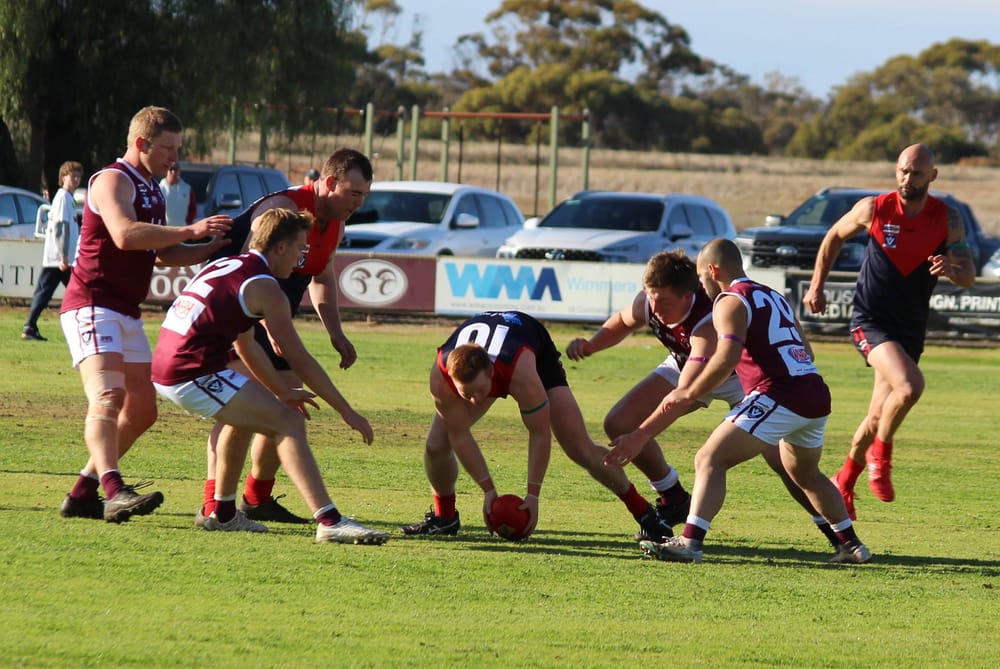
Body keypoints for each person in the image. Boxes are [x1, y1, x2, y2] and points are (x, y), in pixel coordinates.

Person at [568, 251, 844, 552]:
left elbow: (686, 393)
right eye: (651, 298)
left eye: (664, 301)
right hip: (686, 364)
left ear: (688, 295)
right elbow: (623, 321)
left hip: (735, 375)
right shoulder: (649, 301)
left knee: (782, 462)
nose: (655, 308)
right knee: (619, 422)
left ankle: (835, 533)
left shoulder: (707, 322)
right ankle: (673, 497)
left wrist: (641, 436)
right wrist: (591, 344)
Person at [151, 208, 387, 543]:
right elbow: (300, 360)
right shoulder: (266, 287)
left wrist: (282, 390)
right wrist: (347, 412)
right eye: (299, 248)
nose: (301, 259)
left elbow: (245, 343)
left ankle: (224, 514)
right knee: (288, 423)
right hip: (189, 371)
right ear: (280, 247)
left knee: (244, 419)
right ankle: (330, 521)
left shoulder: (230, 265)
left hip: (172, 363)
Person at [639, 238, 871, 564]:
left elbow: (726, 358)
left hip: (780, 391)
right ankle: (852, 546)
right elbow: (807, 351)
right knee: (806, 474)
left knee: (709, 458)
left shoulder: (730, 300)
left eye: (701, 276)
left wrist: (688, 391)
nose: (701, 285)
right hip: (814, 391)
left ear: (713, 270)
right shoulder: (774, 295)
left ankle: (690, 543)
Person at [57, 105, 234, 523]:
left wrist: (210, 248)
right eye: (169, 148)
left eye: (177, 148)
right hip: (92, 304)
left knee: (142, 412)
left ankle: (83, 493)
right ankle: (113, 490)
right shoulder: (112, 179)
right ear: (141, 143)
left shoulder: (151, 188)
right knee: (108, 397)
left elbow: (161, 253)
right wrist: (191, 229)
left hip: (126, 311)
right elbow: (124, 234)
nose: (175, 157)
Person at [194, 148, 372, 527]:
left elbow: (322, 277)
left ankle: (256, 498)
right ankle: (213, 504)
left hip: (274, 320)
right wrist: (265, 324)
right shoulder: (282, 208)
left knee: (289, 408)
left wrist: (335, 331)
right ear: (329, 182)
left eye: (364, 195)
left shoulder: (335, 224)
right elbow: (245, 272)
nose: (359, 203)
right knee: (239, 410)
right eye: (354, 193)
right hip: (234, 320)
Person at [803, 143, 975, 519]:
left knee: (878, 415)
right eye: (902, 170)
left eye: (916, 172)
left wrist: (952, 269)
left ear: (933, 175)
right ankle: (880, 457)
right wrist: (817, 285)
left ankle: (844, 480)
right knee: (910, 387)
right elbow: (833, 236)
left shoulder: (947, 218)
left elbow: (968, 275)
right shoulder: (874, 209)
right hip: (870, 321)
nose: (907, 178)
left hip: (909, 328)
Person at [400, 310, 674, 543]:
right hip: (493, 354)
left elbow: (540, 433)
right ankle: (444, 518)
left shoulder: (521, 373)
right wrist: (488, 490)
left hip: (531, 345)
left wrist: (533, 495)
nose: (474, 401)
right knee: (436, 445)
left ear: (491, 373)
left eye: (481, 391)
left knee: (580, 448)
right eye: (466, 394)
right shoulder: (440, 377)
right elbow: (460, 435)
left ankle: (646, 515)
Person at [22, 161, 83, 341]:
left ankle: (30, 326)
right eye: (73, 176)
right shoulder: (63, 197)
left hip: (63, 258)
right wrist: (63, 255)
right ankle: (30, 326)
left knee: (48, 291)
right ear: (63, 178)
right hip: (59, 259)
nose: (76, 179)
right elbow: (60, 227)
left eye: (79, 176)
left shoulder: (68, 198)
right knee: (75, 291)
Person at [159, 162, 196, 227]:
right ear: (166, 171)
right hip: (164, 229)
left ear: (179, 171)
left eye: (176, 169)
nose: (173, 172)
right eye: (171, 169)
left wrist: (187, 223)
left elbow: (192, 209)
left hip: (182, 228)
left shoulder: (187, 189)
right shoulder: (159, 188)